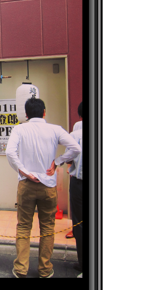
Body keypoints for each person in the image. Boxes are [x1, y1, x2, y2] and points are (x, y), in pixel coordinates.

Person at [6, 97, 81, 279]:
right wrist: (57, 162)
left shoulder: (20, 129)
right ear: (44, 112)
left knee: (24, 226)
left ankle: (21, 268)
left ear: (26, 114)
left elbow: (10, 152)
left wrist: (23, 171)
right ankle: (45, 269)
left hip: (26, 184)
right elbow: (75, 148)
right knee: (47, 227)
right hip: (48, 185)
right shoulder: (55, 129)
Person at [56, 102, 83, 276]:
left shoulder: (75, 134)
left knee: (79, 222)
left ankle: (83, 262)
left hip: (79, 183)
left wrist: (58, 161)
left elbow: (70, 158)